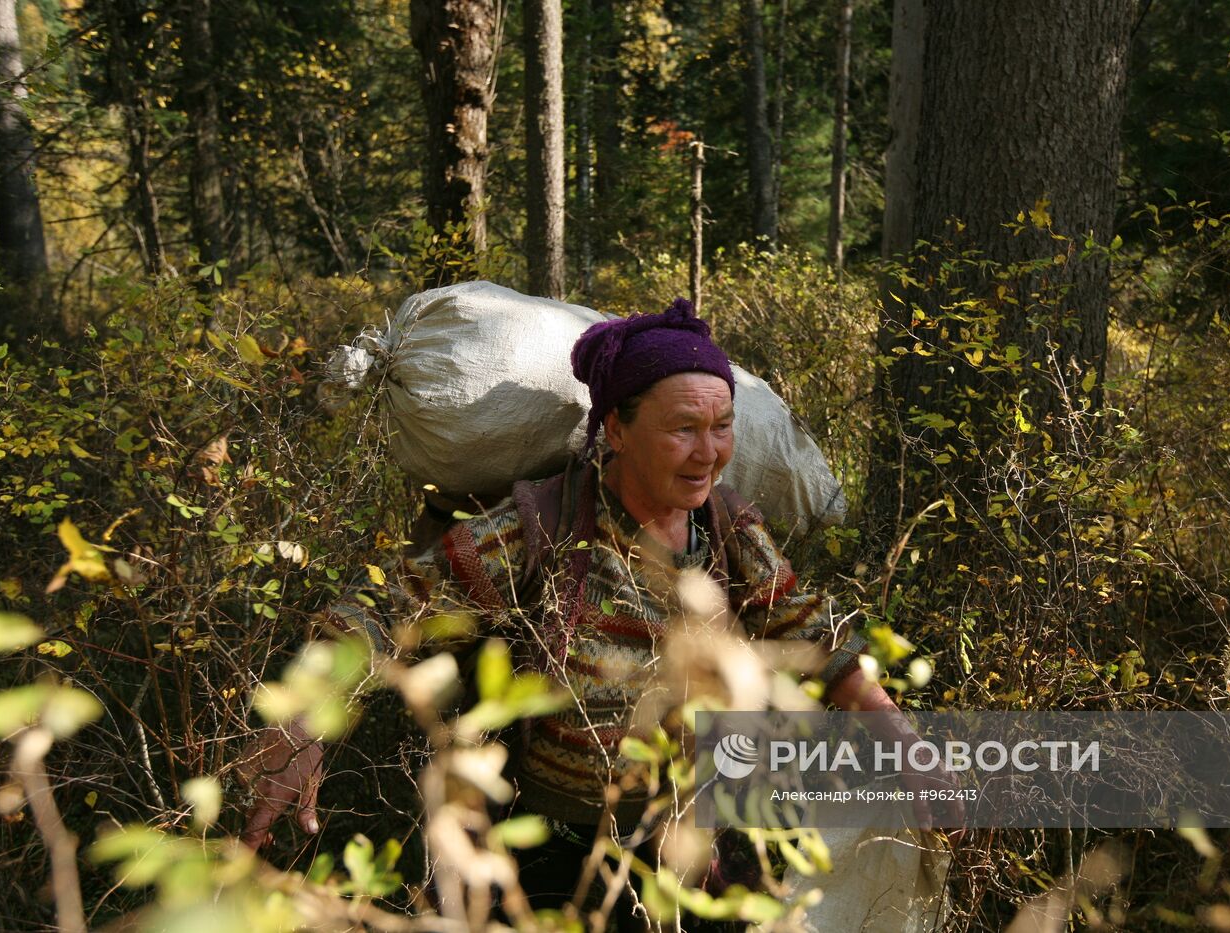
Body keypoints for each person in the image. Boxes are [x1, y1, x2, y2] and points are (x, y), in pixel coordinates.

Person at [238, 298, 953, 919]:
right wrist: (308, 715)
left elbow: (805, 627)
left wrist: (900, 736)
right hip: (564, 858)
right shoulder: (541, 527)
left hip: (708, 836)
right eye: (683, 429)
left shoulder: (730, 529)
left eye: (723, 427)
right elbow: (393, 602)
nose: (710, 453)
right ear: (616, 429)